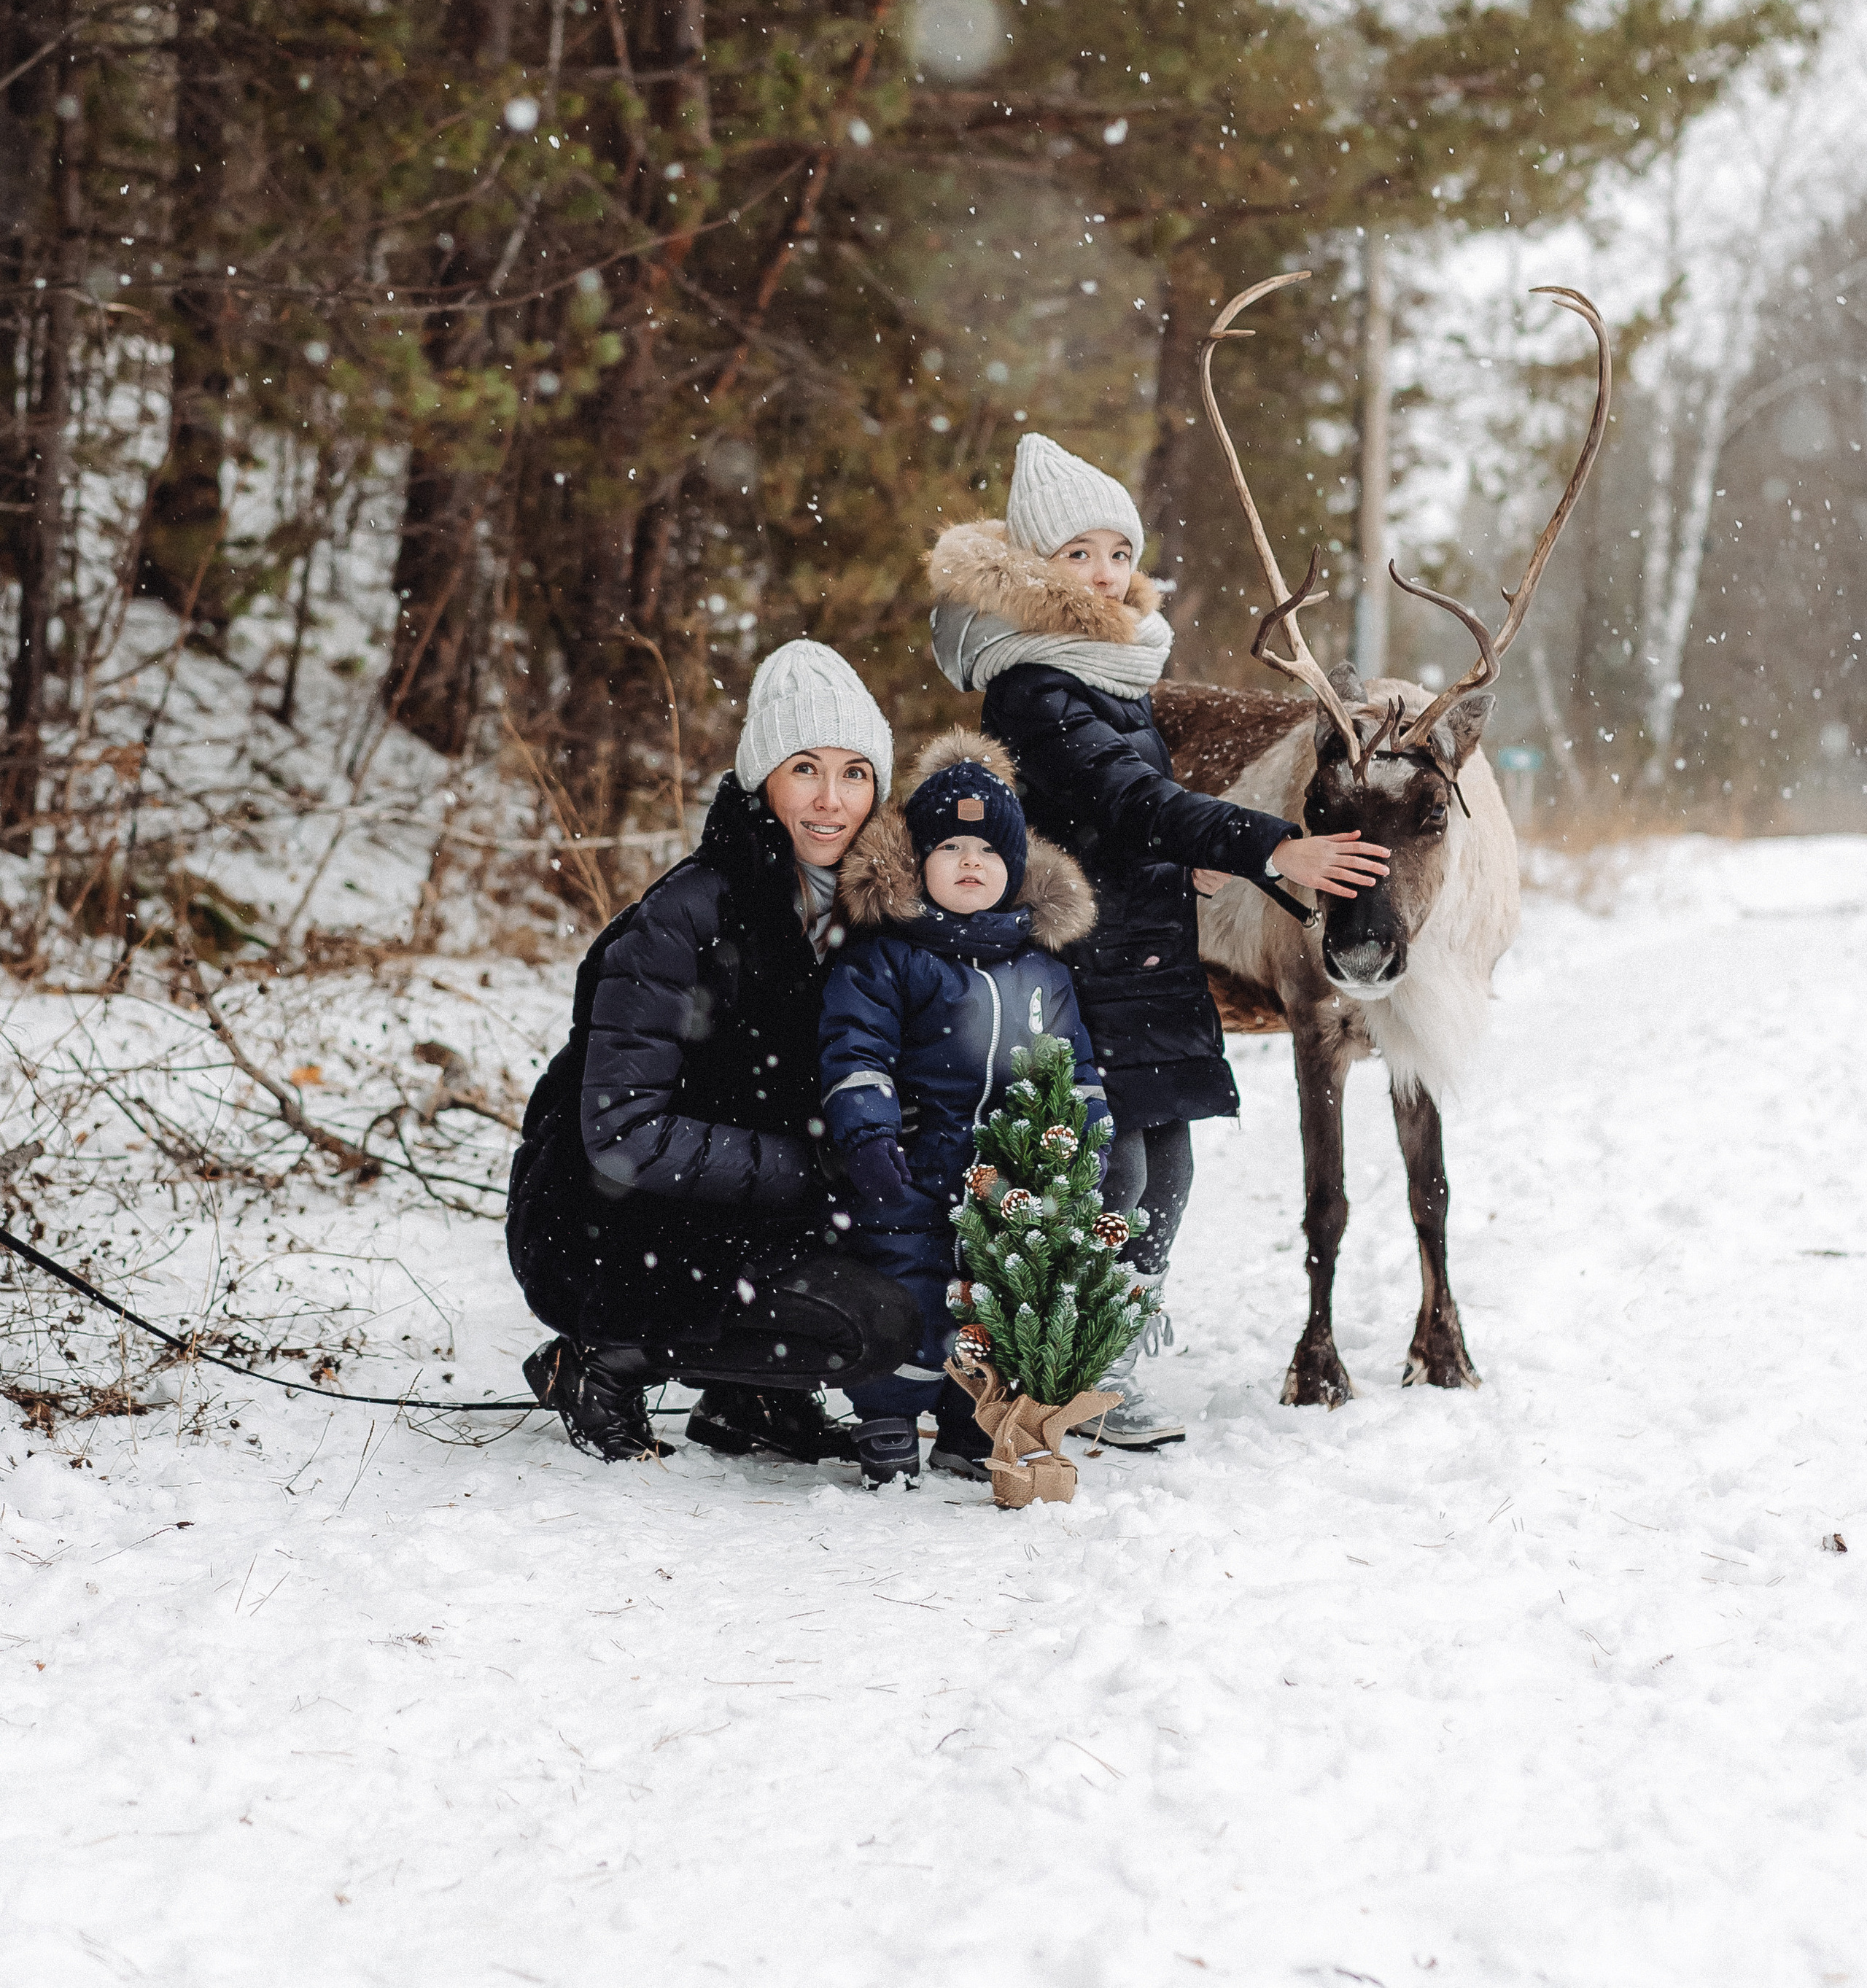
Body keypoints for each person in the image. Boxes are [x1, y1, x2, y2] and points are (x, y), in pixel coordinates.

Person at [926, 431, 1389, 1447]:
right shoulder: (1034, 680)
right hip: (1080, 961)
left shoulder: (1107, 670)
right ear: (1035, 566)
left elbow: (1108, 816)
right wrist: (1273, 847)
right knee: (1114, 1174)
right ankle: (1064, 1363)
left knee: (1165, 1169)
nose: (1104, 572)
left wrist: (1182, 865)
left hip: (1138, 945)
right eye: (1078, 553)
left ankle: (1111, 1349)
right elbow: (1128, 794)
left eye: (1119, 553)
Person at [506, 638, 921, 1465]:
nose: (831, 799)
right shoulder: (687, 915)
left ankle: (748, 1400)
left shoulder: (871, 913)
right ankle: (600, 1363)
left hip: (743, 1208)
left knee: (907, 1271)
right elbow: (622, 1131)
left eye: (854, 772)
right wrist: (814, 1165)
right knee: (872, 1325)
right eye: (804, 768)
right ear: (762, 780)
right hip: (612, 1221)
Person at [818, 729, 1109, 1489]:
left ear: (1015, 867)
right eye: (949, 847)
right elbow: (856, 1051)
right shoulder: (888, 957)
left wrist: (1088, 1140)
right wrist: (869, 1134)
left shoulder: (1042, 970)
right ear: (918, 863)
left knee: (990, 1303)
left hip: (1010, 1181)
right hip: (912, 1171)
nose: (969, 861)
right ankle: (886, 1417)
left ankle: (965, 1423)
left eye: (986, 850)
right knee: (912, 1291)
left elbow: (1075, 1067)